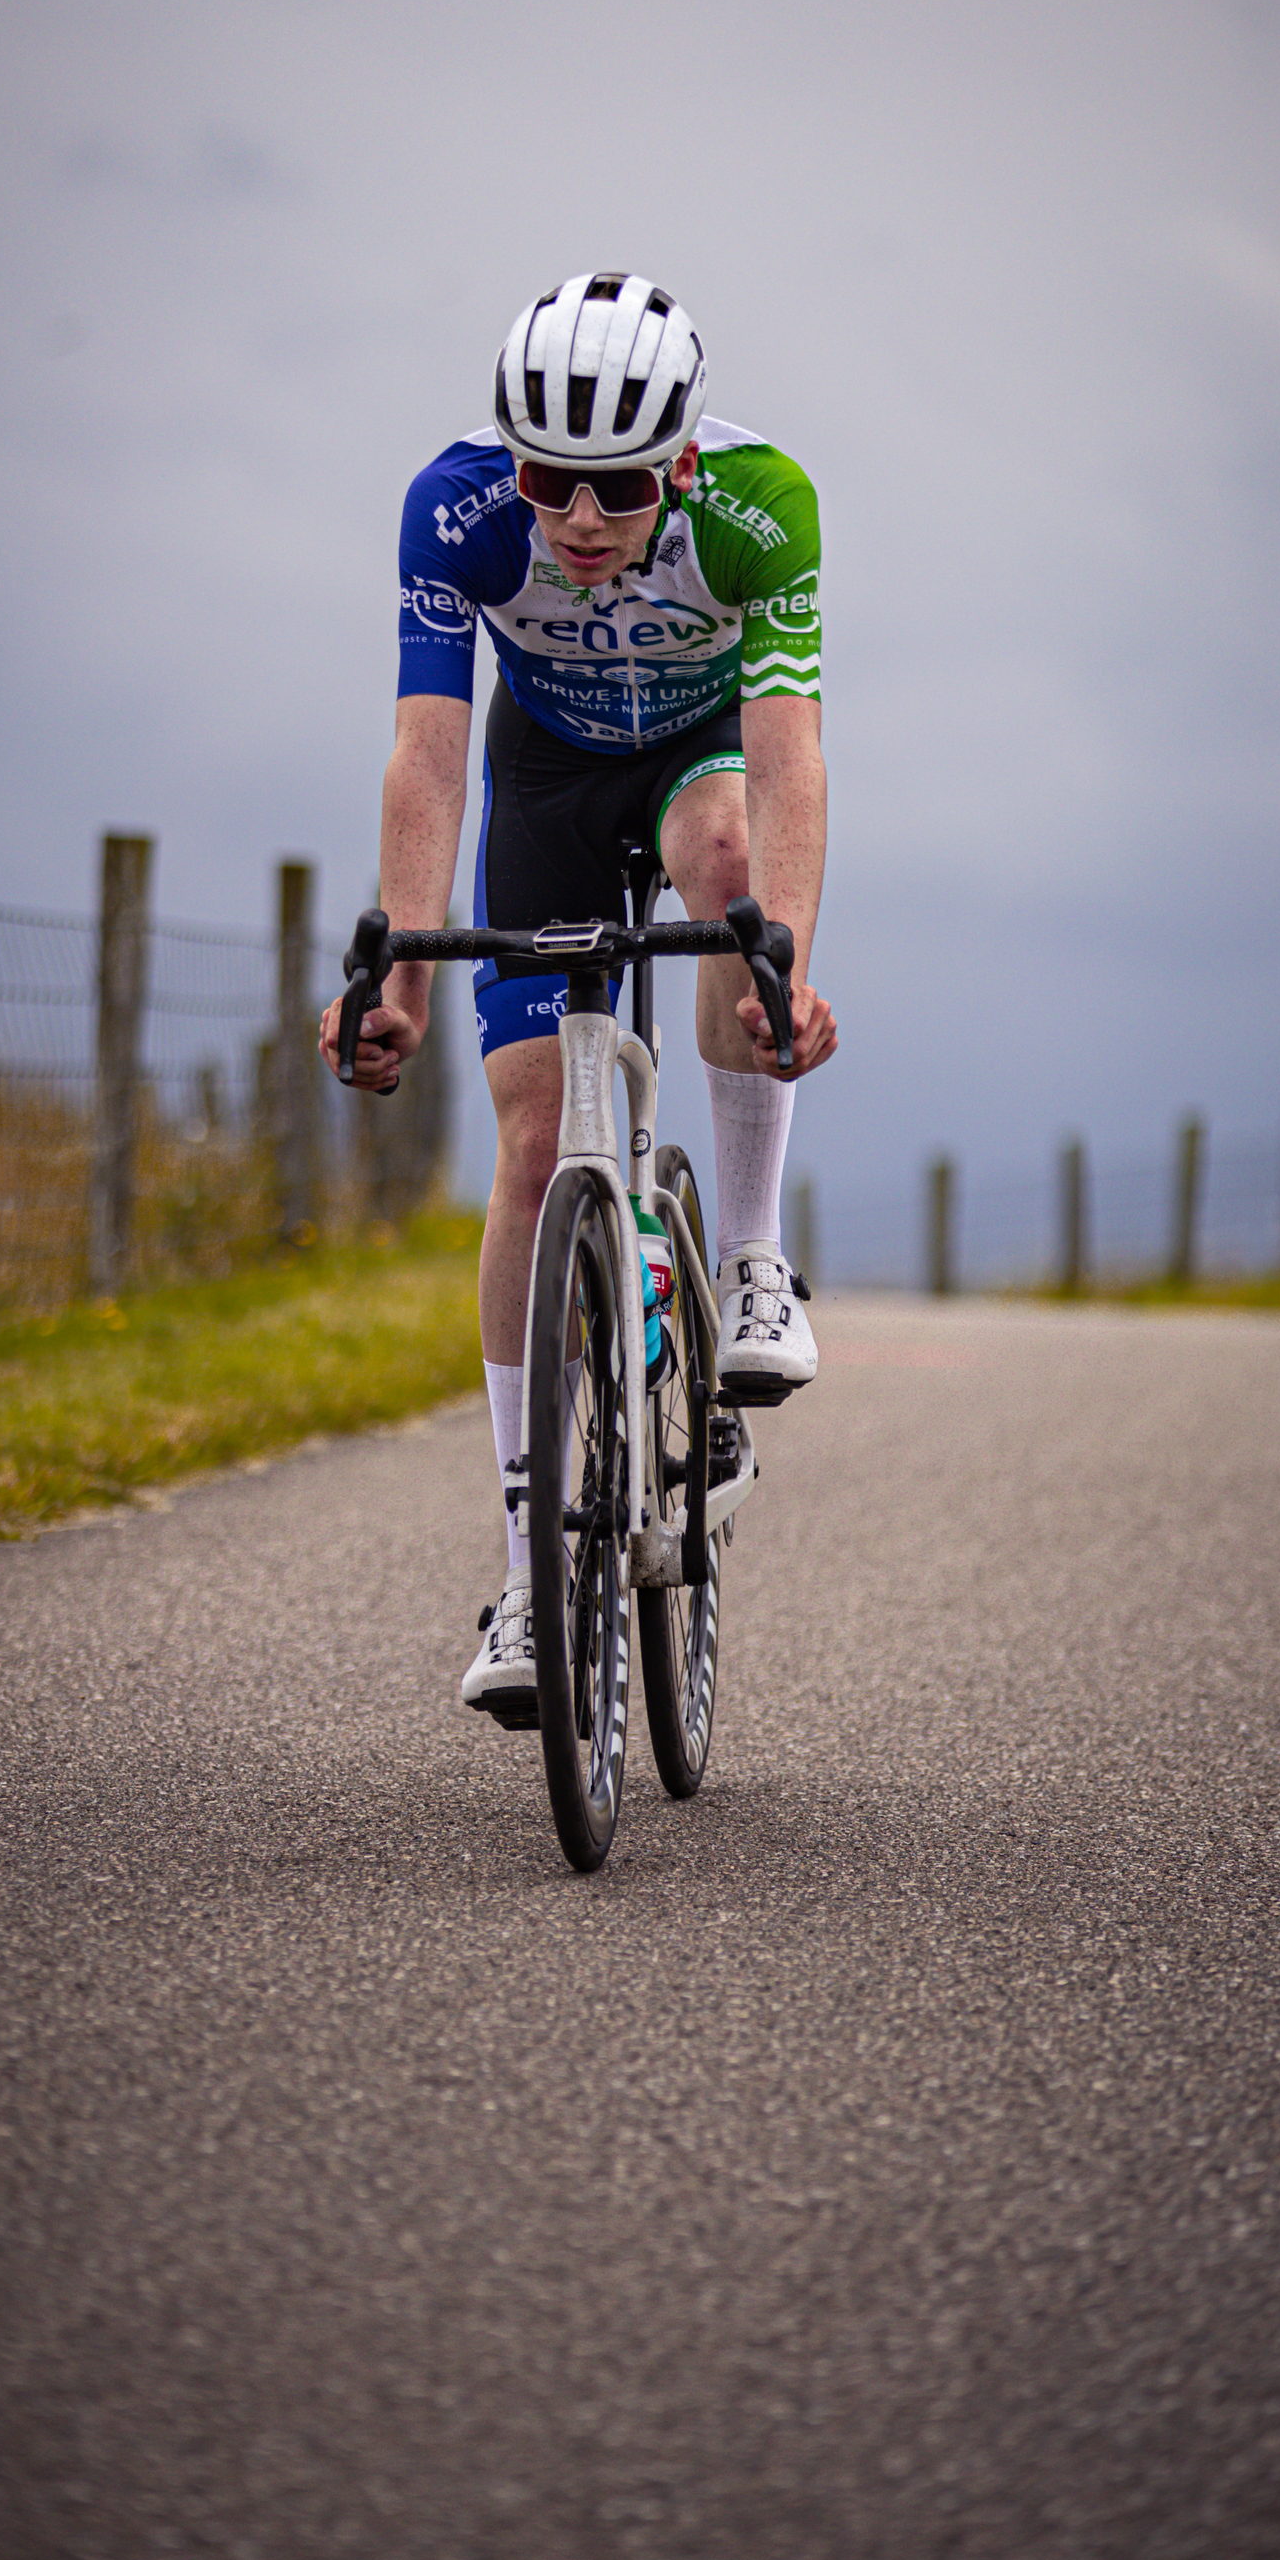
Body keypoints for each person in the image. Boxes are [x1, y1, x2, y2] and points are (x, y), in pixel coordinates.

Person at [320, 272, 836, 1718]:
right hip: (539, 774)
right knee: (537, 1150)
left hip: (698, 757)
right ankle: (530, 1582)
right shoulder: (457, 510)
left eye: (615, 486)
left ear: (676, 462)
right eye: (551, 481)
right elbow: (426, 755)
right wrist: (405, 978)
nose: (582, 520)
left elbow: (789, 758)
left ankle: (748, 1257)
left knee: (730, 861)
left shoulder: (760, 505)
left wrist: (782, 958)